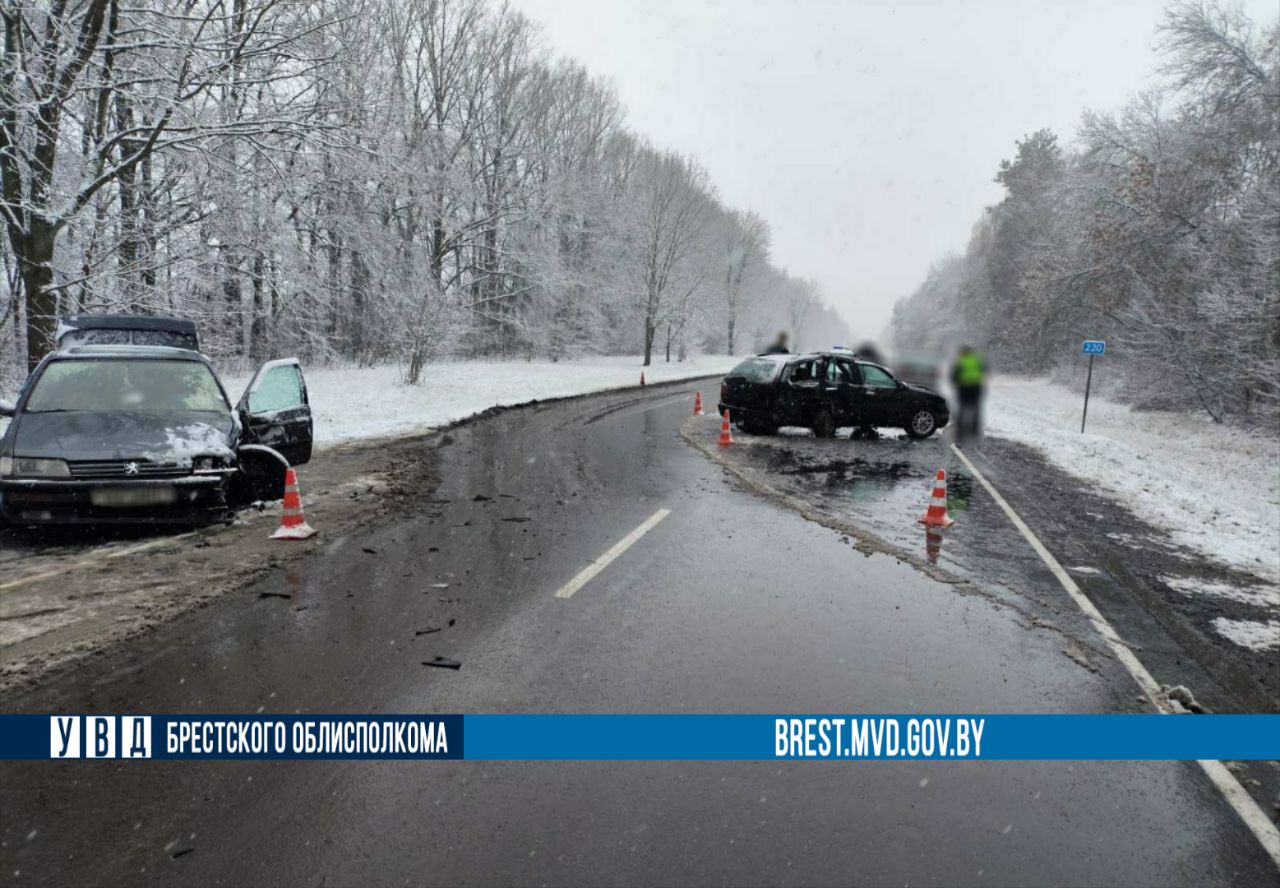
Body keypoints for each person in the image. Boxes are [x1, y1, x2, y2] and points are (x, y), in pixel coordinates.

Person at [951, 345, 986, 445]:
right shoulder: (977, 361)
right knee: (975, 409)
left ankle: (960, 434)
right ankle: (974, 431)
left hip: (964, 389)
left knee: (962, 410)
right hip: (975, 388)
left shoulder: (961, 362)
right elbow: (983, 371)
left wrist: (957, 383)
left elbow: (954, 376)